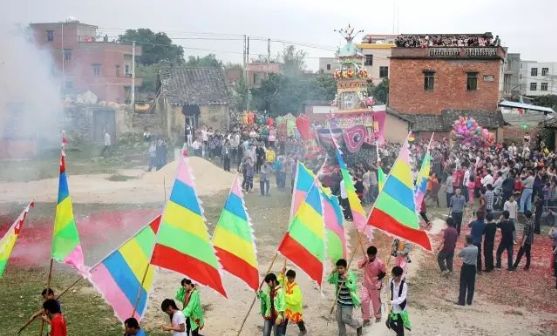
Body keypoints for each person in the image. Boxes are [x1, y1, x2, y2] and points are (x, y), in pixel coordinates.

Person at [327, 259, 363, 336]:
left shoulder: (350, 275)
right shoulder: (337, 275)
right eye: (338, 268)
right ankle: (342, 334)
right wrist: (332, 273)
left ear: (345, 268)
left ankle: (358, 325)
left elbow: (353, 287)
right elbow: (330, 281)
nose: (339, 270)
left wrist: (346, 280)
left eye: (341, 268)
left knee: (345, 319)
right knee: (339, 320)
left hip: (348, 302)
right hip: (340, 301)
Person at [358, 246, 387, 325]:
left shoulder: (380, 263)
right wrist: (364, 260)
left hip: (375, 286)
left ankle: (378, 316)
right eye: (369, 255)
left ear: (375, 254)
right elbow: (359, 266)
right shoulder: (366, 259)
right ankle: (366, 318)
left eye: (371, 255)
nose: (370, 257)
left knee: (376, 302)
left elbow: (384, 273)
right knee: (364, 301)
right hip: (366, 284)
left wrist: (378, 277)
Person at [279, 269, 307, 336]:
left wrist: (285, 296)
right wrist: (281, 274)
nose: (288, 279)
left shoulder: (296, 287)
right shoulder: (286, 282)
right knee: (284, 321)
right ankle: (282, 334)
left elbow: (295, 299)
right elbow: (280, 281)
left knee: (298, 320)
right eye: (287, 278)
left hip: (295, 308)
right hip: (287, 307)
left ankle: (303, 330)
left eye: (290, 278)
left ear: (294, 278)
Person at [386, 266, 411, 336]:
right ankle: (399, 333)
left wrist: (391, 302)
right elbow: (387, 289)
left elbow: (402, 299)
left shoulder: (404, 285)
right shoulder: (391, 281)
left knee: (400, 326)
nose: (394, 277)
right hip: (393, 308)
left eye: (396, 276)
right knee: (389, 323)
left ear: (400, 276)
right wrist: (384, 283)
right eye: (393, 275)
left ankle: (400, 334)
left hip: (400, 310)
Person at [457, 235, 478, 306]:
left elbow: (459, 255)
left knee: (463, 284)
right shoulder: (476, 248)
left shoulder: (465, 249)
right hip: (473, 267)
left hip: (466, 267)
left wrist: (465, 247)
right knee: (471, 285)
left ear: (467, 241)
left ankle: (461, 301)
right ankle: (469, 301)